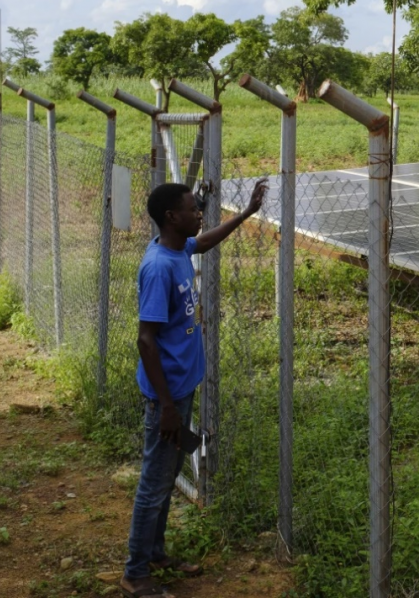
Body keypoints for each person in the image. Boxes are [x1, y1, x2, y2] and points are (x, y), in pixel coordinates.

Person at [120, 179, 267, 598]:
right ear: (171, 217)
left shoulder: (179, 249)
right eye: (192, 208)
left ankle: (155, 553)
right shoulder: (159, 267)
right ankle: (135, 574)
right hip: (165, 396)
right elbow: (146, 340)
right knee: (154, 484)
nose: (199, 212)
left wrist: (246, 214)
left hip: (179, 389)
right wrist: (166, 406)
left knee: (166, 478)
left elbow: (202, 242)